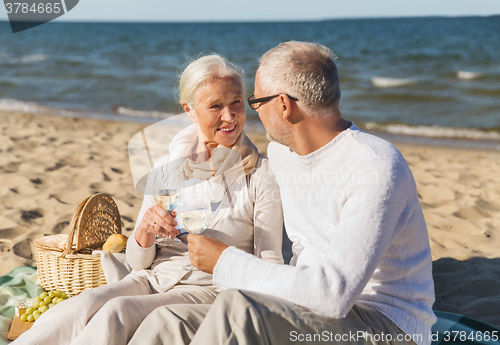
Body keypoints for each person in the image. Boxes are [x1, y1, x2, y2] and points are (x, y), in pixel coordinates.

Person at [129, 41, 437, 345]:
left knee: (237, 309)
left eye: (255, 102)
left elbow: (334, 296)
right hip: (304, 307)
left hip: (382, 324)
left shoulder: (375, 166)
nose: (250, 113)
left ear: (283, 105)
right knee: (168, 321)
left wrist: (224, 261)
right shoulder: (282, 155)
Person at [12, 54, 284, 345]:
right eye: (215, 106)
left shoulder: (260, 174)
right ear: (189, 111)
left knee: (117, 311)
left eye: (237, 102)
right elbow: (137, 262)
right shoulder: (168, 166)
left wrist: (220, 259)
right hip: (152, 277)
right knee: (79, 307)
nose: (229, 116)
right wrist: (144, 231)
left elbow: (269, 262)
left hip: (210, 287)